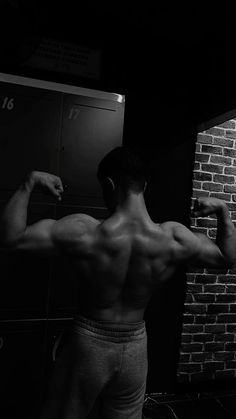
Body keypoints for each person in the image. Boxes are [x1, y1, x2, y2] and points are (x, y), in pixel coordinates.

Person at [0, 146, 236, 419]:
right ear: (144, 186)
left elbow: (11, 238)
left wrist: (28, 183)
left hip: (89, 344)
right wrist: (222, 211)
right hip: (135, 347)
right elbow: (225, 257)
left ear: (110, 184)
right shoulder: (173, 237)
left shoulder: (84, 231)